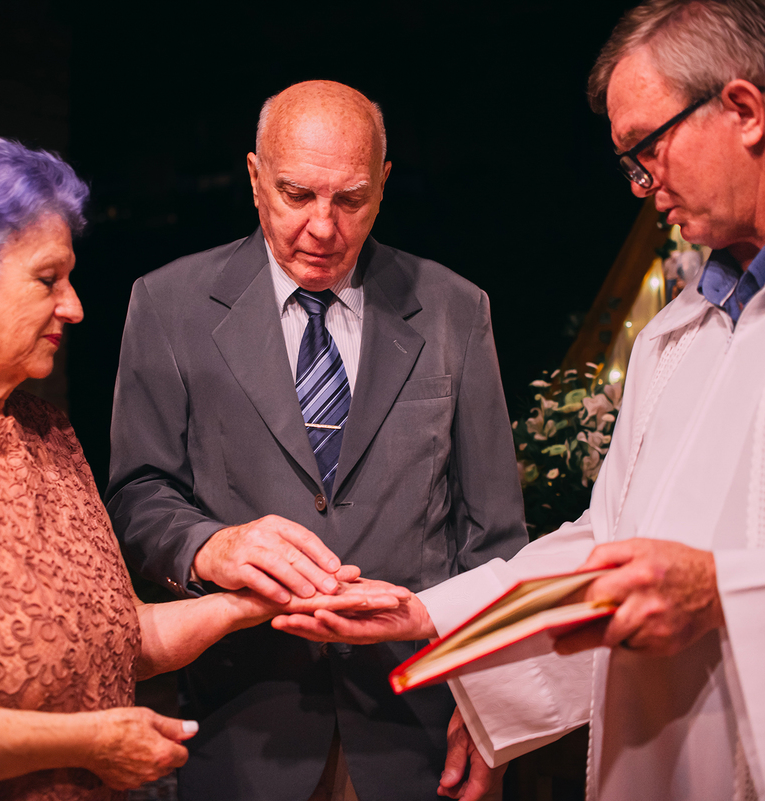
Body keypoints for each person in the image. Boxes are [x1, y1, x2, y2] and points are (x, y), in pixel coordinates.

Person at [275, 2, 765, 799]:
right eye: (629, 164)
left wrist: (724, 597)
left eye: (648, 151)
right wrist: (432, 615)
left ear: (743, 110)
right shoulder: (674, 334)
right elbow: (605, 543)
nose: (644, 189)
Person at [0, 135, 406, 801]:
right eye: (48, 279)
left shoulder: (47, 433)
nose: (73, 306)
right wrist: (89, 741)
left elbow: (118, 634)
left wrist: (255, 599)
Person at [105, 80, 528, 801]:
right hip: (243, 725)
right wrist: (210, 546)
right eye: (297, 195)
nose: (324, 228)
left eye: (351, 200)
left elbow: (494, 535)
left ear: (384, 186)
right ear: (254, 178)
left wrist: (492, 701)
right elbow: (140, 493)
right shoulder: (168, 304)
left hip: (416, 732)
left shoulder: (457, 310)